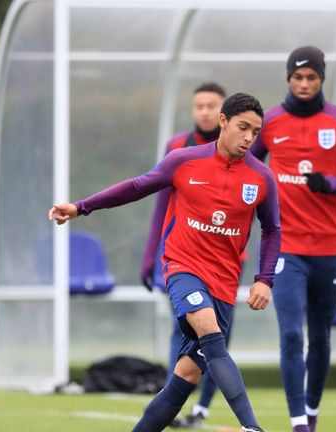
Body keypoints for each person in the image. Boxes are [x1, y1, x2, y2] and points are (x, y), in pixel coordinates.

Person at [50, 93, 281, 432]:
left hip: (224, 284)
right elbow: (136, 187)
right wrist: (82, 206)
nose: (249, 138)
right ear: (223, 122)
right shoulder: (184, 161)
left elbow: (273, 230)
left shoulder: (262, 178)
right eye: (243, 127)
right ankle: (252, 427)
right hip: (183, 269)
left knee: (184, 378)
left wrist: (264, 279)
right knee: (207, 327)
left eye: (255, 132)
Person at [250, 46, 336, 432]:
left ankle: (313, 411)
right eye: (297, 77)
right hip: (285, 248)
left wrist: (332, 185)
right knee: (290, 334)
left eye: (311, 78)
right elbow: (245, 166)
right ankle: (299, 422)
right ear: (288, 78)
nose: (304, 84)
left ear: (322, 80)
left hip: (329, 249)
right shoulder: (268, 122)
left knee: (319, 338)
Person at [139, 82, 240, 429]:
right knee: (184, 332)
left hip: (223, 265)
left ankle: (203, 408)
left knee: (217, 337)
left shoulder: (241, 154)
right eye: (199, 106)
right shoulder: (178, 148)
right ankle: (174, 404)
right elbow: (160, 203)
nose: (205, 112)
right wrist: (149, 256)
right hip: (180, 260)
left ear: (224, 113)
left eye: (212, 105)